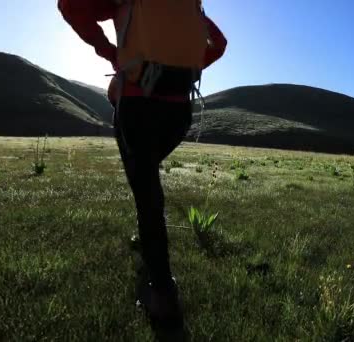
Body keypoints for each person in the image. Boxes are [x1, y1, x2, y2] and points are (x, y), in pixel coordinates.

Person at [58, 0, 227, 325]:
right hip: (179, 114)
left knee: (147, 191)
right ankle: (147, 237)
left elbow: (70, 5)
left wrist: (109, 51)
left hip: (137, 103)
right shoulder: (190, 6)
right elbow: (219, 45)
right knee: (146, 181)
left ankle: (162, 292)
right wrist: (187, 67)